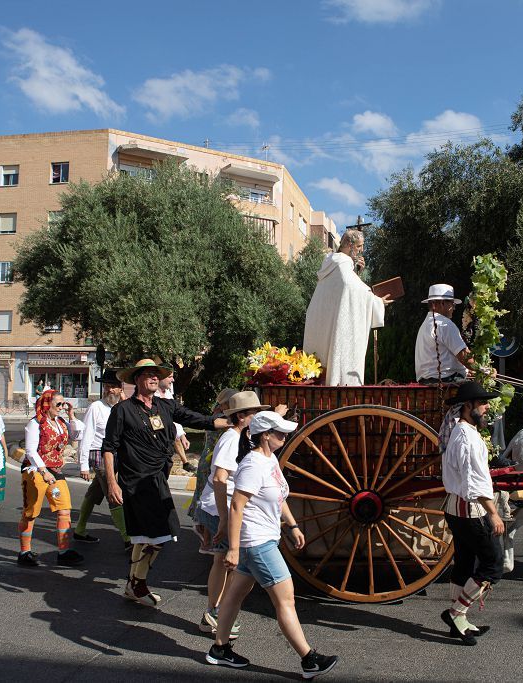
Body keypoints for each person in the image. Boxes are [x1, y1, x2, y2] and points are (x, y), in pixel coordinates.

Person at [206, 411, 338, 678]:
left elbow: (279, 496)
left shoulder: (270, 460)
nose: (284, 436)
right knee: (286, 600)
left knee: (235, 595)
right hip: (257, 542)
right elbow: (236, 505)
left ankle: (219, 649)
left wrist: (292, 524)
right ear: (265, 435)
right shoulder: (254, 463)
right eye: (280, 432)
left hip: (260, 539)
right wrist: (233, 548)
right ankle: (309, 660)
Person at [102, 359, 229, 606]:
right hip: (135, 482)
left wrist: (232, 421)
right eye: (147, 374)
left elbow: (198, 419)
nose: (152, 377)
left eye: (155, 374)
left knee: (146, 536)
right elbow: (109, 448)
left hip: (158, 478)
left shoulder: (165, 406)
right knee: (160, 534)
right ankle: (136, 584)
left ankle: (134, 583)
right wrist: (111, 482)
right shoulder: (123, 410)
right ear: (136, 380)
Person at [197, 391, 285, 639]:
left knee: (227, 561)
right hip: (220, 507)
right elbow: (219, 478)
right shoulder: (231, 438)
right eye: (254, 413)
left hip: (224, 507)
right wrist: (224, 518)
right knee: (225, 561)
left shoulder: (242, 436)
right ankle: (213, 613)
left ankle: (216, 612)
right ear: (242, 417)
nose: (257, 416)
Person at [437, 381, 505, 646]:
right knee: (492, 565)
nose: (487, 407)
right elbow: (474, 481)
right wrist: (494, 513)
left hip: (456, 509)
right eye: (483, 403)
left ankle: (460, 622)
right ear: (468, 407)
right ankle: (456, 613)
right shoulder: (466, 437)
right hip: (470, 510)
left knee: (465, 563)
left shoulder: (461, 431)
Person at [302, 228, 391, 386]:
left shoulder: (331, 264)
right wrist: (377, 302)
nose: (361, 250)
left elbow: (346, 294)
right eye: (359, 246)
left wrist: (357, 272)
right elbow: (354, 290)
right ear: (349, 245)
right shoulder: (342, 264)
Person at [17, 390, 84, 567]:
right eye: (59, 404)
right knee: (31, 513)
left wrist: (71, 416)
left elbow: (76, 436)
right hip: (36, 469)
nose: (62, 407)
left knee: (64, 510)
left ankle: (63, 551)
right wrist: (43, 470)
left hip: (55, 470)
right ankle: (24, 551)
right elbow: (31, 450)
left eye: (64, 404)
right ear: (47, 404)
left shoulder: (61, 422)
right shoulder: (35, 423)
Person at [72, 369, 129, 547]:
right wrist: (83, 465)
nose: (109, 390)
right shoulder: (96, 407)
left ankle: (79, 530)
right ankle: (127, 537)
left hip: (117, 455)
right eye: (107, 386)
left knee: (95, 492)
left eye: (113, 387)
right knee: (114, 492)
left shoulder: (121, 407)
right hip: (99, 454)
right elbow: (87, 435)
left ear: (121, 389)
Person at [189, 387, 239, 544]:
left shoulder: (217, 415)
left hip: (209, 459)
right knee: (208, 498)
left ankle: (206, 539)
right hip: (213, 461)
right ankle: (206, 540)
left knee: (203, 495)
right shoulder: (223, 419)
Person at [415, 284, 479, 384]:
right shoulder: (445, 324)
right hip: (445, 381)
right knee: (480, 395)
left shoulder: (425, 324)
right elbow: (464, 356)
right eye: (452, 304)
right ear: (442, 303)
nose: (454, 308)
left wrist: (466, 371)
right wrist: (484, 371)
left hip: (427, 381)